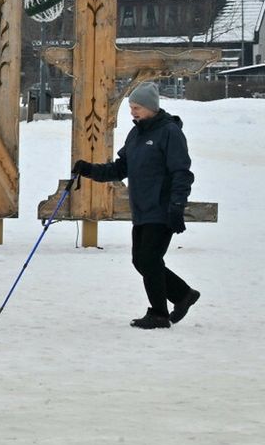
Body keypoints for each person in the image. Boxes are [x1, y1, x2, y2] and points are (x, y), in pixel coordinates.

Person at [71, 83, 198, 329]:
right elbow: (120, 169)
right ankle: (183, 294)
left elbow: (182, 172)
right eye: (131, 107)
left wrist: (177, 206)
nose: (133, 112)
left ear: (151, 107)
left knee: (149, 260)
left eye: (137, 107)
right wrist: (88, 169)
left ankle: (159, 314)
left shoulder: (170, 132)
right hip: (141, 209)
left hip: (161, 208)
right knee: (141, 261)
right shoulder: (136, 134)